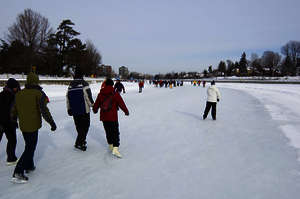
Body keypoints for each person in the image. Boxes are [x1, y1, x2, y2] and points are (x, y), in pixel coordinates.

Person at [11, 72, 57, 183]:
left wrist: (14, 121)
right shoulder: (38, 93)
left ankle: (29, 165)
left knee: (29, 145)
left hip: (23, 125)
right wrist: (52, 123)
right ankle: (18, 171)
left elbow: (14, 111)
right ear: (36, 81)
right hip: (33, 125)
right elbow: (44, 111)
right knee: (30, 148)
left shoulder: (19, 94)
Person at [93, 78, 129, 158]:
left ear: (105, 85)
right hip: (113, 117)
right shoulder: (115, 93)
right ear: (112, 85)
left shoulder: (100, 94)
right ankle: (115, 149)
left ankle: (110, 145)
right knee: (115, 132)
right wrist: (126, 111)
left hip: (104, 117)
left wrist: (95, 110)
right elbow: (121, 103)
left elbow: (96, 104)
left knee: (108, 131)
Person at [66, 68, 94, 151]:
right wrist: (93, 105)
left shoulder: (71, 84)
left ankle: (81, 140)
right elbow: (88, 96)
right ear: (82, 75)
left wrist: (69, 108)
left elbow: (68, 97)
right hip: (84, 109)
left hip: (74, 110)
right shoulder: (84, 83)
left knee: (79, 126)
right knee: (85, 126)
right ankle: (79, 143)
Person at [0, 78, 20, 166]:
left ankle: (11, 158)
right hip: (8, 122)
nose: (17, 88)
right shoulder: (12, 96)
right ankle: (11, 159)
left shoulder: (1, 94)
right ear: (12, 87)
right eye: (16, 87)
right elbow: (9, 110)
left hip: (2, 121)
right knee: (12, 140)